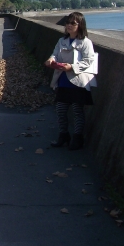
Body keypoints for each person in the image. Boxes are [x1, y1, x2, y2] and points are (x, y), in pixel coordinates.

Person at [45, 11, 97, 151]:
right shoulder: (62, 41)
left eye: (73, 23)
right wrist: (51, 60)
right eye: (67, 22)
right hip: (63, 80)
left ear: (80, 25)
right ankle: (63, 136)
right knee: (61, 109)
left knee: (77, 110)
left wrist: (72, 67)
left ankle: (77, 138)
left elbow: (89, 60)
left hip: (78, 81)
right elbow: (55, 54)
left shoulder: (86, 42)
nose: (69, 25)